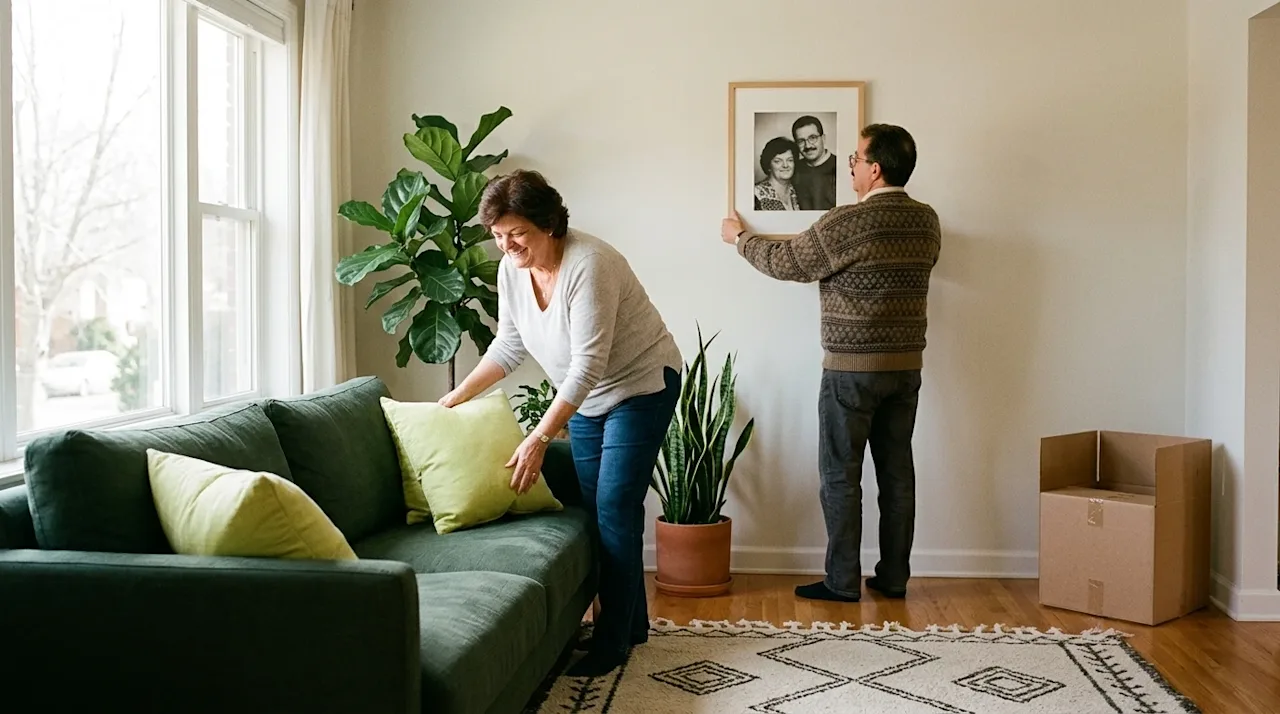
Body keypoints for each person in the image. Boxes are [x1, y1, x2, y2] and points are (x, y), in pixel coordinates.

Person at [440, 169, 683, 676]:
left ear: (549, 223)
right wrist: (456, 397)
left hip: (641, 386)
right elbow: (508, 346)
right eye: (498, 235)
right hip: (588, 400)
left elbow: (588, 364)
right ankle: (632, 624)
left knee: (615, 504)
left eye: (517, 233)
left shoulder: (590, 265)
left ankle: (612, 641)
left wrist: (539, 436)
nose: (507, 245)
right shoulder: (512, 270)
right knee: (599, 510)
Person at [721, 123, 941, 602]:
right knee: (897, 475)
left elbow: (788, 263)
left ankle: (842, 582)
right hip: (906, 369)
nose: (852, 166)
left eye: (856, 159)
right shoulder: (927, 221)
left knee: (841, 476)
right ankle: (894, 577)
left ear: (875, 169)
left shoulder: (847, 222)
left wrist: (740, 239)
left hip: (851, 371)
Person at [791, 115, 837, 210]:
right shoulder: (792, 169)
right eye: (801, 141)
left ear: (823, 138)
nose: (808, 146)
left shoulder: (840, 166)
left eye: (812, 138)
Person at [753, 137, 801, 210]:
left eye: (790, 160)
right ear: (769, 165)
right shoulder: (756, 195)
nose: (785, 165)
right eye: (778, 161)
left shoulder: (797, 192)